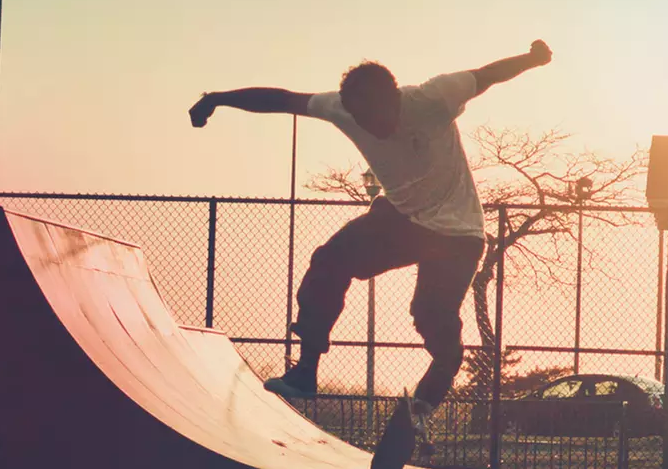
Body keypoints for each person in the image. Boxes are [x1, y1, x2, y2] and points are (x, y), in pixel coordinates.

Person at [188, 40, 554, 433]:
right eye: (361, 119)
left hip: (457, 232)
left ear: (395, 97)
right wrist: (217, 99)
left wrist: (532, 59)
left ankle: (424, 405)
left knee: (430, 317)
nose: (373, 128)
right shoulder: (341, 108)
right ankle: (306, 370)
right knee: (329, 261)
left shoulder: (435, 96)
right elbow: (282, 99)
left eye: (378, 117)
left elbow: (489, 75)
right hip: (400, 219)